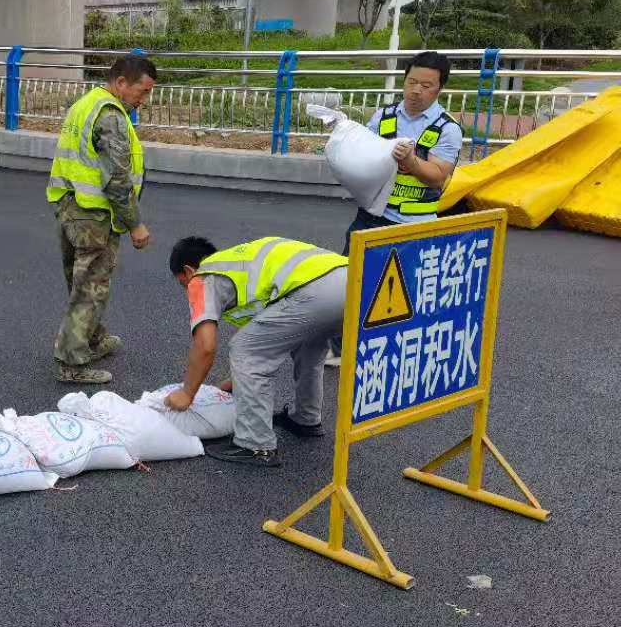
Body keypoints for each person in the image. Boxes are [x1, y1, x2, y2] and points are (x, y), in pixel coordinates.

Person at [162, 235, 348, 467]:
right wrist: (235, 381)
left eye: (182, 283)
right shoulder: (241, 266)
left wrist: (187, 394)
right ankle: (306, 419)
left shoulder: (203, 277)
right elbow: (269, 341)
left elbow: (205, 346)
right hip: (350, 278)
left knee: (244, 349)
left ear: (188, 271)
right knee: (308, 347)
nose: (186, 290)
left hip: (312, 291)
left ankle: (255, 444)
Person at [326, 50, 462, 365]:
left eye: (426, 85)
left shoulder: (447, 128)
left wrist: (412, 162)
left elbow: (439, 176)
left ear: (439, 88)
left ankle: (397, 352)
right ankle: (340, 348)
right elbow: (364, 153)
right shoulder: (384, 116)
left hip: (412, 225)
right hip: (371, 216)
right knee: (347, 283)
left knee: (402, 293)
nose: (416, 90)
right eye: (412, 82)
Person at [46, 54, 156, 384]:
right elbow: (116, 179)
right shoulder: (111, 117)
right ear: (121, 82)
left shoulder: (86, 104)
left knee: (81, 283)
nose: (145, 99)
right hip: (94, 215)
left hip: (69, 207)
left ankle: (93, 338)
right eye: (143, 91)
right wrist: (135, 224)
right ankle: (72, 363)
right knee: (91, 288)